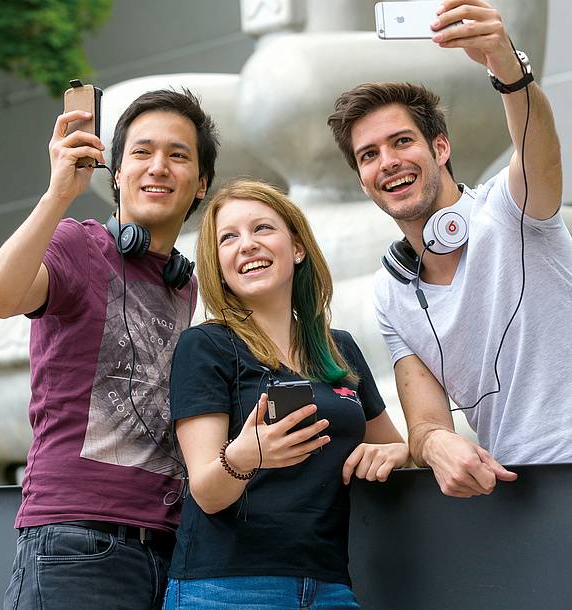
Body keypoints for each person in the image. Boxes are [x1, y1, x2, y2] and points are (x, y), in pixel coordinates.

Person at [327, 0, 572, 498]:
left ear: (439, 148)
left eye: (401, 142)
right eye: (369, 155)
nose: (387, 162)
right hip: (519, 491)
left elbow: (538, 149)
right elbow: (427, 424)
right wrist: (436, 445)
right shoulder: (392, 292)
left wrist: (505, 64)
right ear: (363, 181)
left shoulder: (510, 208)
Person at [0, 88, 218, 609]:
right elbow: (2, 296)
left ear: (201, 185)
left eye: (178, 155)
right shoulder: (79, 243)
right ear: (115, 173)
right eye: (141, 153)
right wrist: (58, 195)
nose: (158, 167)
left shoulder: (189, 287)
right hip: (76, 544)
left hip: (170, 552)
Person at [164, 179, 409, 609]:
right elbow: (206, 491)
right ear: (217, 263)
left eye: (262, 229)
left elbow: (391, 444)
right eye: (228, 237)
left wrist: (394, 453)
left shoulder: (341, 348)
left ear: (297, 248)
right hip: (226, 589)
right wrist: (246, 455)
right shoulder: (205, 346)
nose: (247, 245)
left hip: (329, 584)